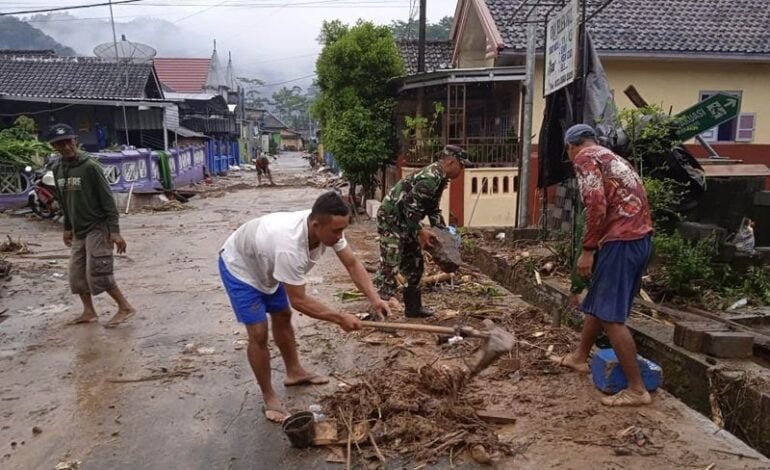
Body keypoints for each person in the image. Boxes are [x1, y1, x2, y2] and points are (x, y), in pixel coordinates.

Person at [218, 191, 391, 422]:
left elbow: (351, 263)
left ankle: (294, 372)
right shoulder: (289, 246)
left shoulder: (328, 229)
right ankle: (269, 396)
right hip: (241, 268)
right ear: (316, 224)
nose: (340, 236)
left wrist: (375, 298)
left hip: (267, 265)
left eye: (343, 229)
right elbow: (299, 300)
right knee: (258, 332)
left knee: (282, 315)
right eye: (336, 231)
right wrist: (340, 318)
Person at [554, 124, 654, 407]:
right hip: (638, 238)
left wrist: (587, 250)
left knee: (611, 317)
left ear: (571, 146)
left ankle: (637, 390)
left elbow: (596, 204)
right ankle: (579, 357)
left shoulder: (586, 157)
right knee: (600, 303)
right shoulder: (612, 157)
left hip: (622, 241)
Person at [49, 123, 135, 328]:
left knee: (98, 271)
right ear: (54, 147)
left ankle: (125, 307)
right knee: (76, 275)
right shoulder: (57, 169)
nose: (66, 147)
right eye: (60, 144)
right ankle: (89, 311)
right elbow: (63, 201)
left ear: (75, 141)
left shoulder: (90, 167)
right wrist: (67, 228)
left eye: (68, 142)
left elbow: (108, 200)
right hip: (78, 229)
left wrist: (114, 232)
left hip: (98, 225)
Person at [375, 145, 470, 318]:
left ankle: (413, 308)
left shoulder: (440, 179)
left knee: (415, 264)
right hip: (393, 220)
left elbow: (432, 209)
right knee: (390, 266)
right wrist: (421, 232)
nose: (462, 170)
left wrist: (444, 233)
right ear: (451, 161)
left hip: (407, 221)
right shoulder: (430, 178)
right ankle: (380, 315)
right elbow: (409, 209)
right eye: (461, 165)